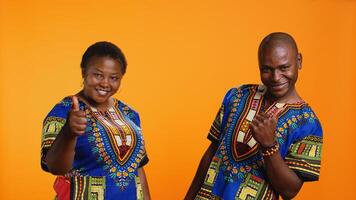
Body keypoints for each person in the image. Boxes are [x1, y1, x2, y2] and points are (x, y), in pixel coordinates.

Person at [185, 32, 323, 200]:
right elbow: (211, 153)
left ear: (299, 61)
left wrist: (269, 146)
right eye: (267, 69)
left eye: (284, 67)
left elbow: (290, 191)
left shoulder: (308, 124)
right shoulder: (236, 96)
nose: (276, 77)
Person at [41, 41, 150, 200]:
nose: (105, 83)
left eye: (113, 78)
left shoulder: (130, 114)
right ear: (84, 72)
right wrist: (68, 133)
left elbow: (138, 169)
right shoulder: (63, 111)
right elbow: (55, 167)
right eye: (98, 75)